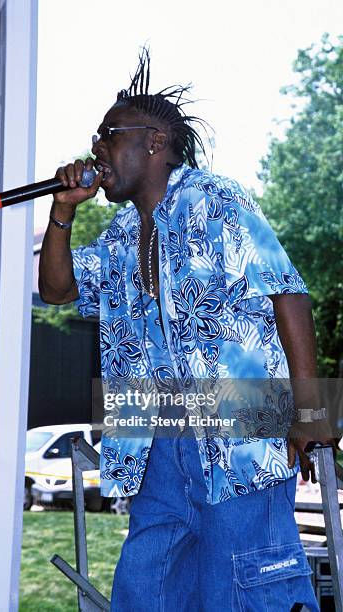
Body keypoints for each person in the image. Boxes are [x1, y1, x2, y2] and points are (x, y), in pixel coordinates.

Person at [38, 48, 335, 611]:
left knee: (247, 589)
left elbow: (288, 293)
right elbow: (57, 288)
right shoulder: (124, 234)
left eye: (108, 133)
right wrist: (63, 210)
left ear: (152, 141)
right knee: (145, 591)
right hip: (156, 440)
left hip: (239, 429)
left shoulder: (214, 200)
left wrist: (311, 412)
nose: (95, 147)